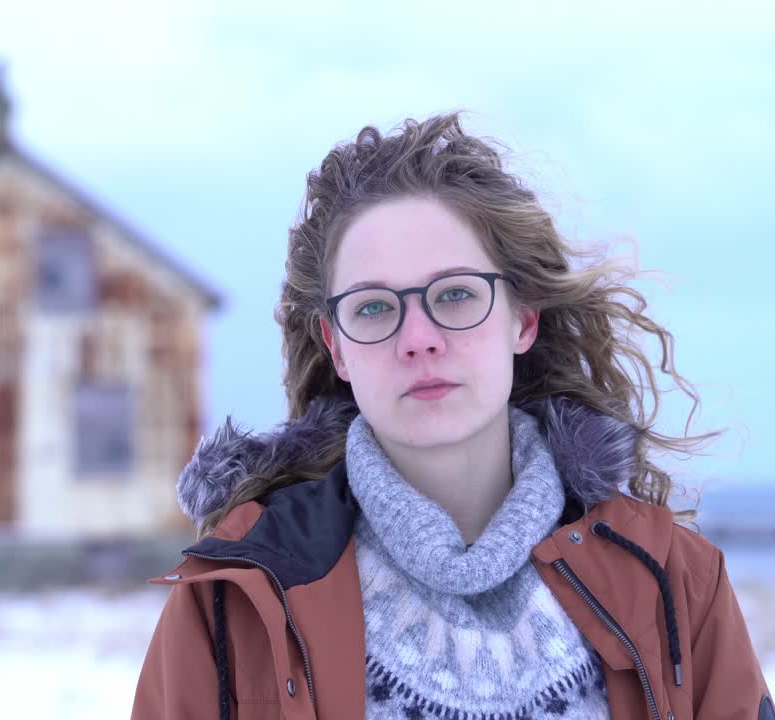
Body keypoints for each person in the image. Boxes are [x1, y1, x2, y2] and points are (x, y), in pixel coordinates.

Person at [130, 113, 771, 720]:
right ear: (337, 346)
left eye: (456, 294)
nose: (419, 338)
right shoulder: (233, 599)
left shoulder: (676, 581)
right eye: (375, 307)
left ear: (522, 318)